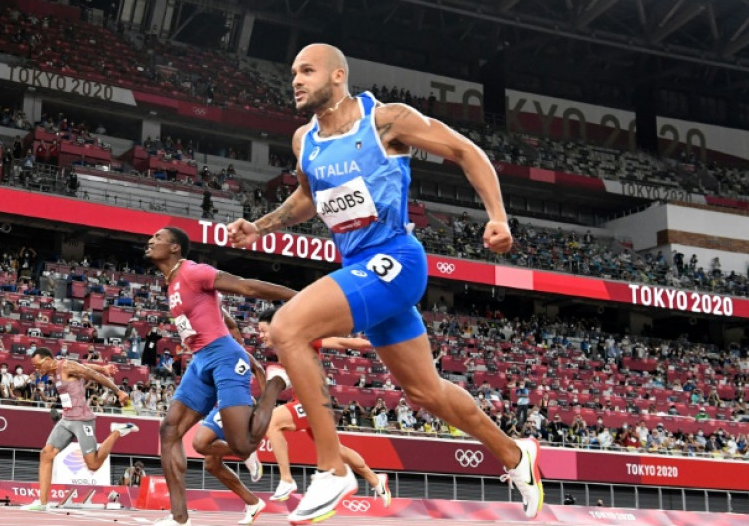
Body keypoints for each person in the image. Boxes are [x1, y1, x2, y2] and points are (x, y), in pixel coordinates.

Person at [227, 43, 542, 523]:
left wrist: (498, 217)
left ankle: (332, 469)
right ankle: (518, 456)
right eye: (293, 71)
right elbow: (308, 199)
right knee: (426, 393)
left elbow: (466, 150)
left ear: (337, 76)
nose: (295, 79)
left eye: (307, 71)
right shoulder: (303, 141)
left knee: (287, 327)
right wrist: (261, 225)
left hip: (396, 259)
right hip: (364, 273)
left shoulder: (386, 121)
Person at [144, 226, 296, 526]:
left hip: (224, 357)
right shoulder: (171, 282)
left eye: (158, 238)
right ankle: (179, 518)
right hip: (201, 361)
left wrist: (299, 297)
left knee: (243, 446)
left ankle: (277, 381)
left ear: (175, 248)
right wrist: (231, 327)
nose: (151, 240)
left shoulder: (193, 271)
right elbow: (216, 311)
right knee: (169, 430)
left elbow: (246, 287)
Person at [256, 307, 390, 505]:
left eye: (263, 331)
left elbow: (339, 341)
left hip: (314, 402)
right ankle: (375, 479)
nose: (260, 336)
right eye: (259, 332)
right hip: (303, 402)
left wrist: (374, 344)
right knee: (337, 450)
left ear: (276, 327)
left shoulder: (301, 339)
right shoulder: (281, 351)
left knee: (272, 422)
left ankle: (286, 480)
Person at [21, 348, 139, 511]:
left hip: (83, 420)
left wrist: (118, 391)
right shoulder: (55, 370)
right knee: (46, 454)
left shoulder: (67, 366)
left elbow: (91, 374)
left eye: (38, 365)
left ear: (48, 360)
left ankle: (117, 431)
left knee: (93, 464)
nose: (37, 370)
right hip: (66, 419)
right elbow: (84, 364)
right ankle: (42, 503)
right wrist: (103, 367)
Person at [190, 311, 268, 526]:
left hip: (237, 403)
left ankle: (245, 450)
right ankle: (252, 503)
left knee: (200, 443)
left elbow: (260, 371)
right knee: (211, 464)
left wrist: (264, 408)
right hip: (222, 404)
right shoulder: (209, 349)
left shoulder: (233, 342)